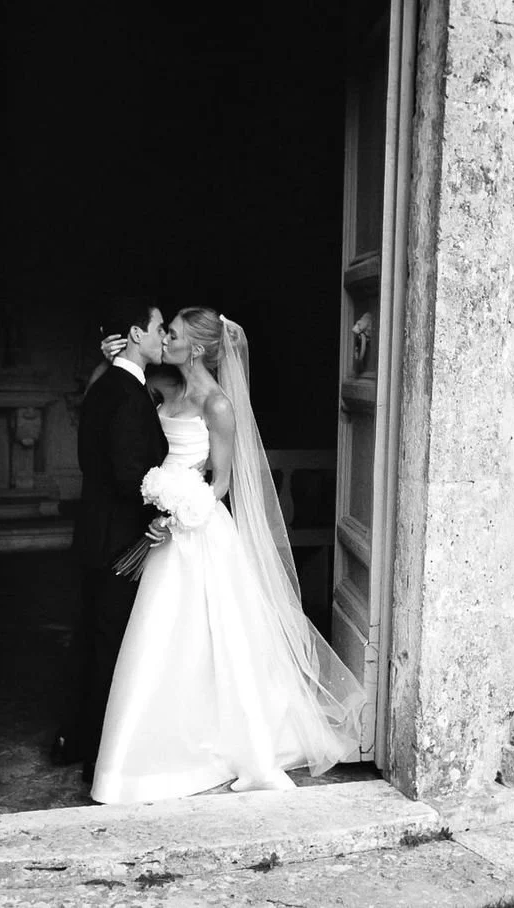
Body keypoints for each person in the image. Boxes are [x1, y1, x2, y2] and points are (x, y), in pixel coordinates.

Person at [90, 307, 366, 804]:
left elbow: (220, 482)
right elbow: (118, 405)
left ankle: (225, 743)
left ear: (195, 347)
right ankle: (152, 747)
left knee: (212, 640)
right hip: (167, 526)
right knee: (163, 638)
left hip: (197, 527)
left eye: (171, 334)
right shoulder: (163, 389)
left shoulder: (218, 405)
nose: (165, 340)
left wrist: (178, 514)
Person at [54, 297, 169, 785]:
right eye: (159, 327)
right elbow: (128, 475)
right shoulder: (124, 393)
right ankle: (101, 757)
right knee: (112, 646)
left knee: (94, 640)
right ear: (136, 333)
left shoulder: (106, 387)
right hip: (122, 541)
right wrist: (165, 504)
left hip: (97, 535)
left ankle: (77, 740)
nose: (164, 336)